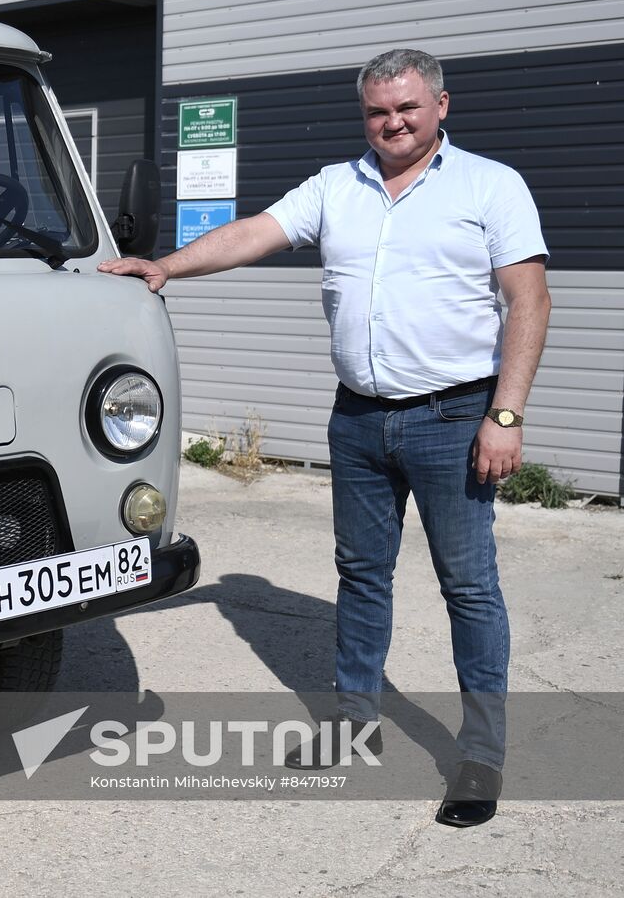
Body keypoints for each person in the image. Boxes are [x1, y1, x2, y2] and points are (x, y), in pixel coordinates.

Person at [99, 48, 550, 828]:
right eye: (378, 111)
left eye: (407, 107)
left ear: (441, 106)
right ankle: (353, 720)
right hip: (360, 418)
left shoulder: (490, 186)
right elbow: (254, 232)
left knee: (469, 585)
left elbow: (529, 300)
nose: (393, 122)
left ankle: (480, 752)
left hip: (454, 418)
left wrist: (505, 415)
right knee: (363, 574)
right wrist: (165, 266)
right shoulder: (337, 186)